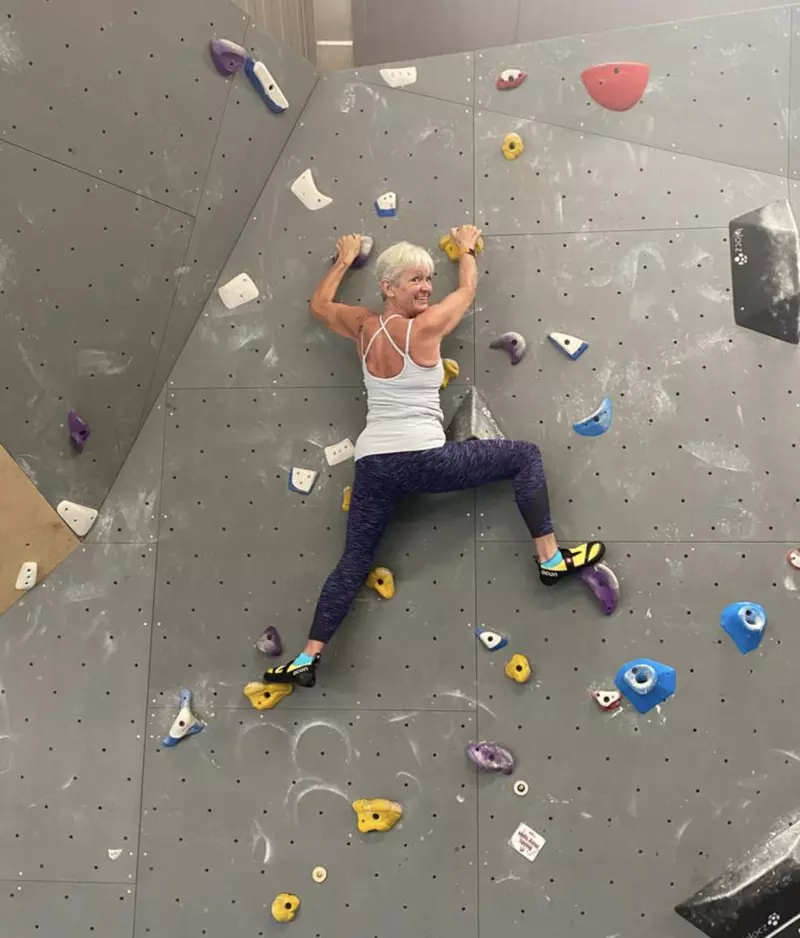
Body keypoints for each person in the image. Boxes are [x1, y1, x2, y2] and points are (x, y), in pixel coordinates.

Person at [263, 227, 606, 688]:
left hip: (373, 466)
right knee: (524, 456)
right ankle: (549, 560)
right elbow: (466, 289)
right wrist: (464, 250)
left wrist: (343, 260)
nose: (426, 287)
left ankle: (306, 658)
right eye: (414, 280)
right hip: (425, 460)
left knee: (354, 561)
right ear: (388, 287)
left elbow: (320, 307)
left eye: (428, 279)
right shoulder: (424, 328)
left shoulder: (363, 326)